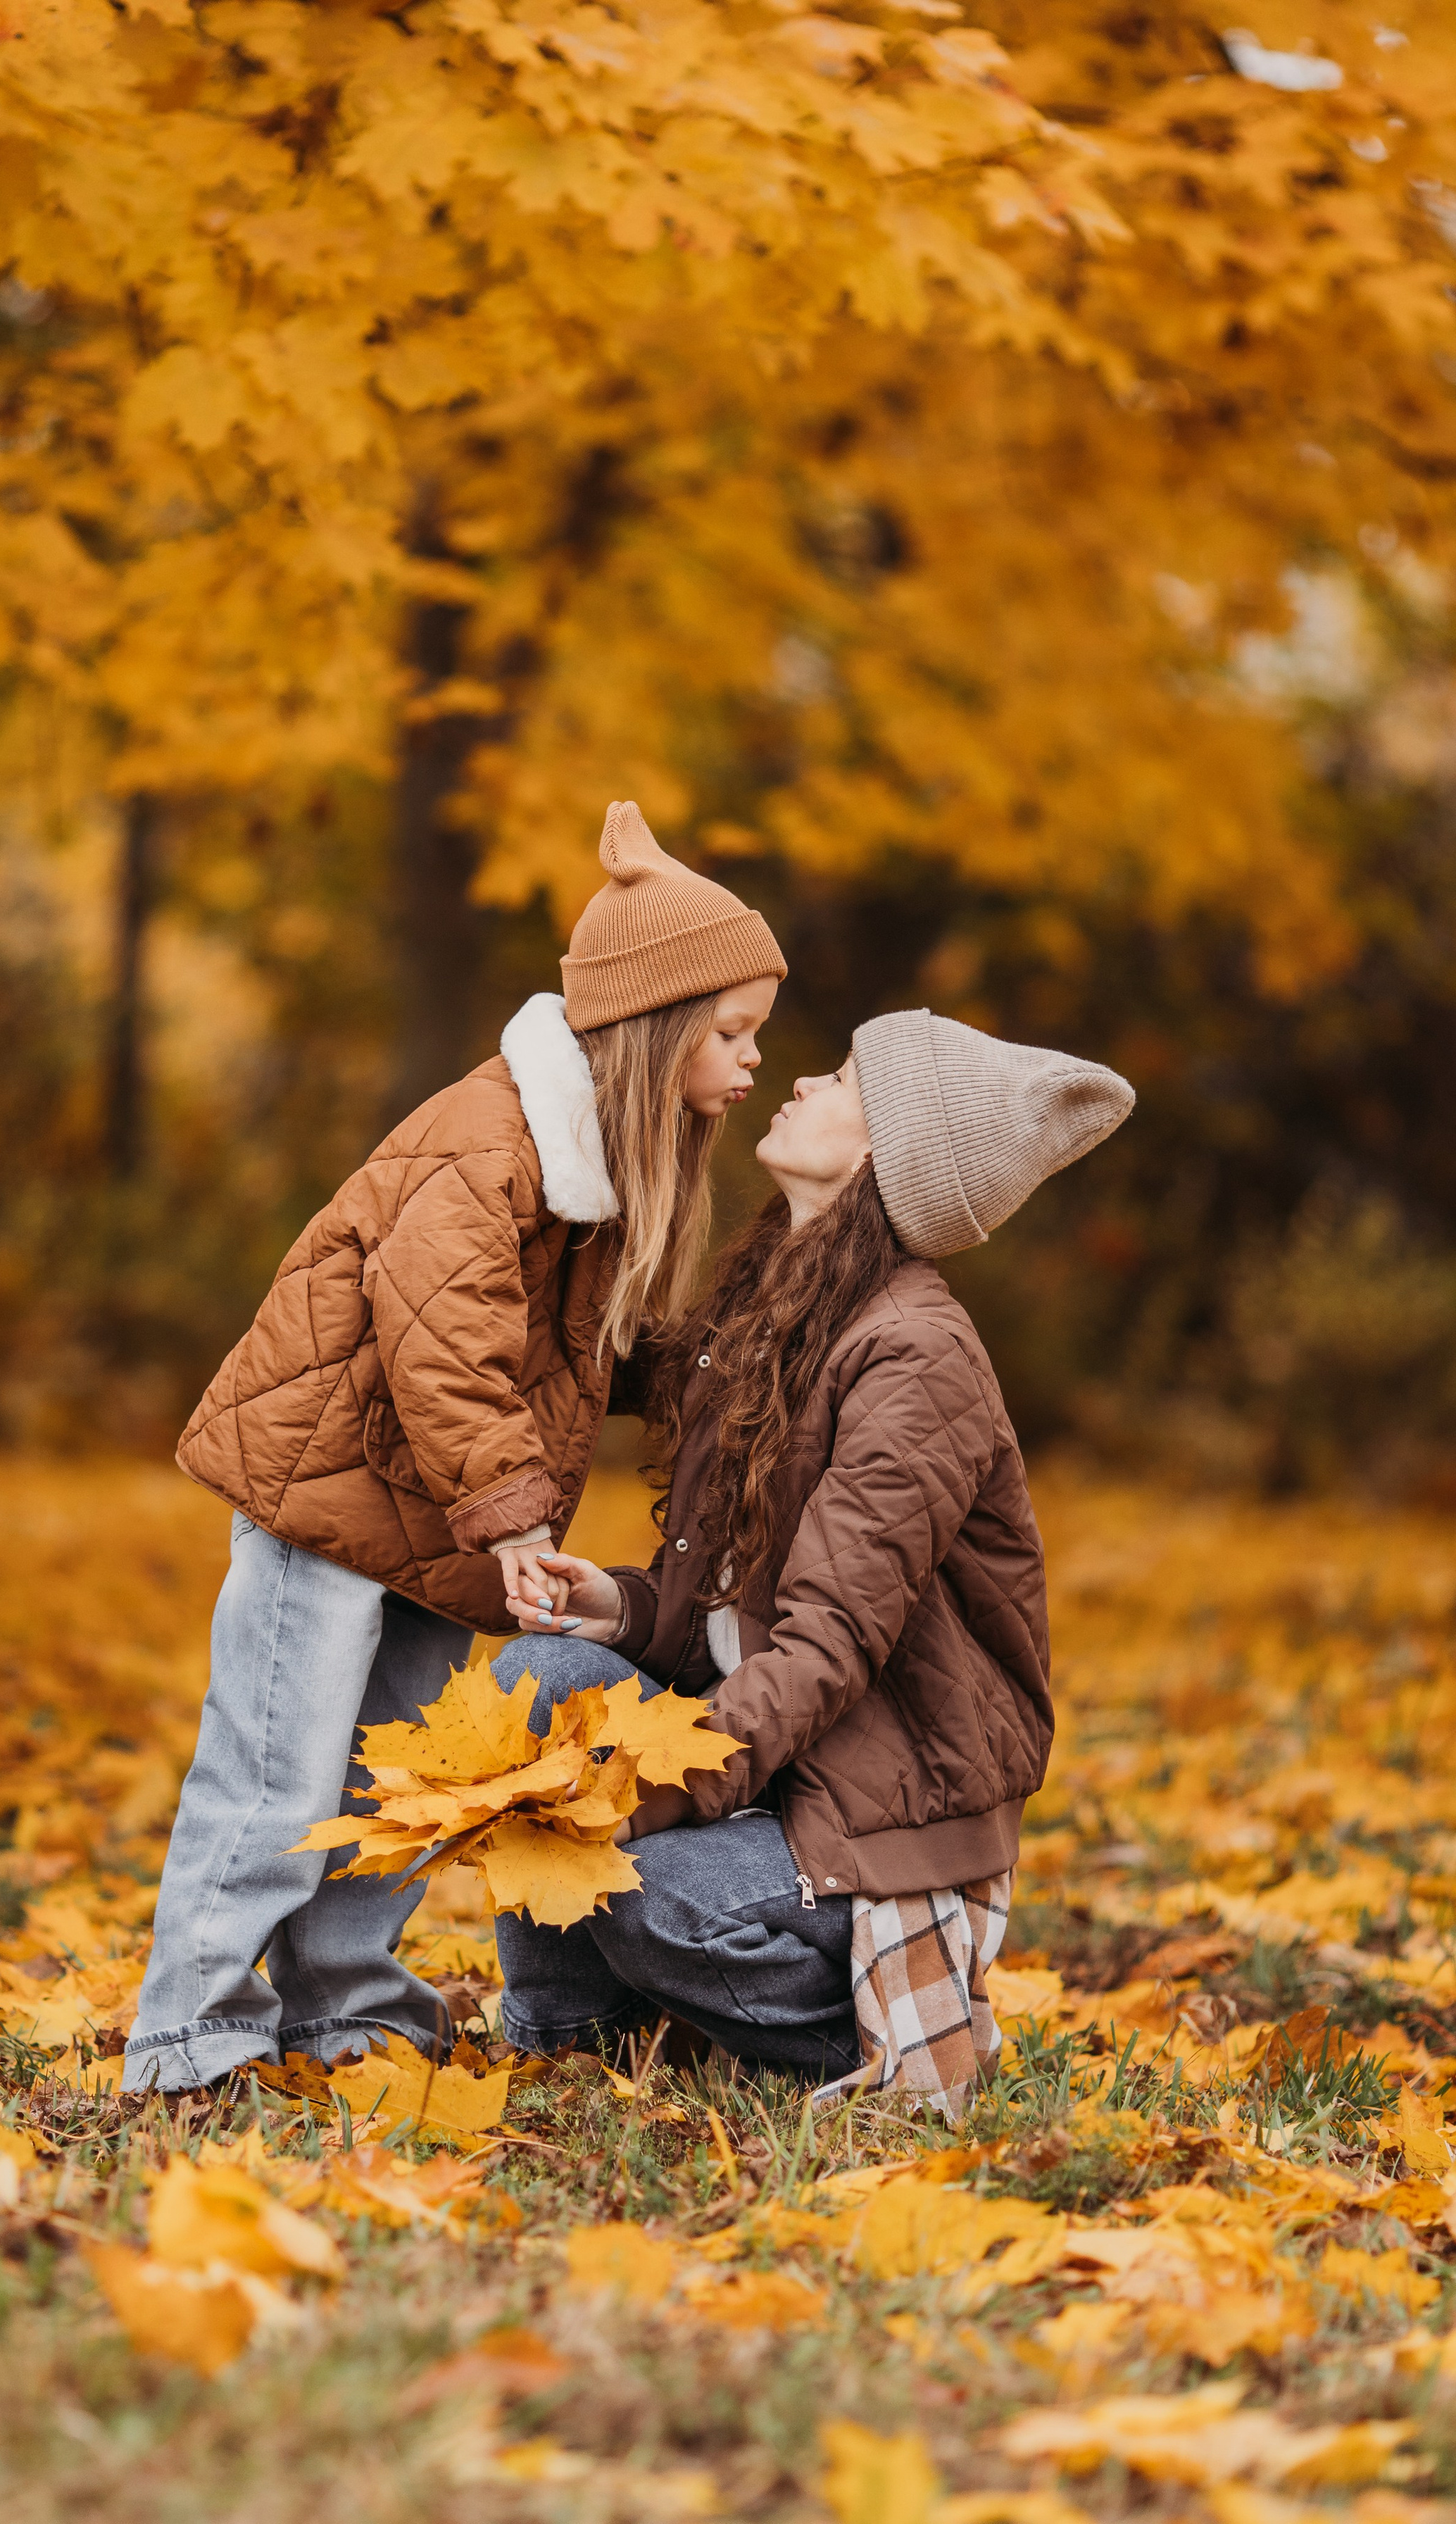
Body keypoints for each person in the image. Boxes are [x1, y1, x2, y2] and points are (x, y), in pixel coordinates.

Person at [123, 802, 788, 2092]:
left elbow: (581, 1346)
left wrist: (721, 1372)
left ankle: (348, 2010)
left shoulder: (589, 1171)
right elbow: (445, 1344)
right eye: (732, 1034)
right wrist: (516, 1521)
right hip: (331, 1499)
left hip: (429, 1521)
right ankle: (187, 2028)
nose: (753, 1062)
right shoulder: (491, 1145)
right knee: (274, 1776)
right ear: (654, 1034)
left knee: (389, 1783)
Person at [494, 1009, 1134, 2113]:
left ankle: (864, 2016)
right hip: (779, 1775)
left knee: (639, 1887)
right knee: (533, 1691)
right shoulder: (778, 1315)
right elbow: (732, 1616)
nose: (796, 1081)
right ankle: (568, 2041)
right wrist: (624, 1609)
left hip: (866, 1830)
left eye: (839, 1076)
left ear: (889, 1147)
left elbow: (824, 1649)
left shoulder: (917, 1358)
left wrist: (632, 1797)